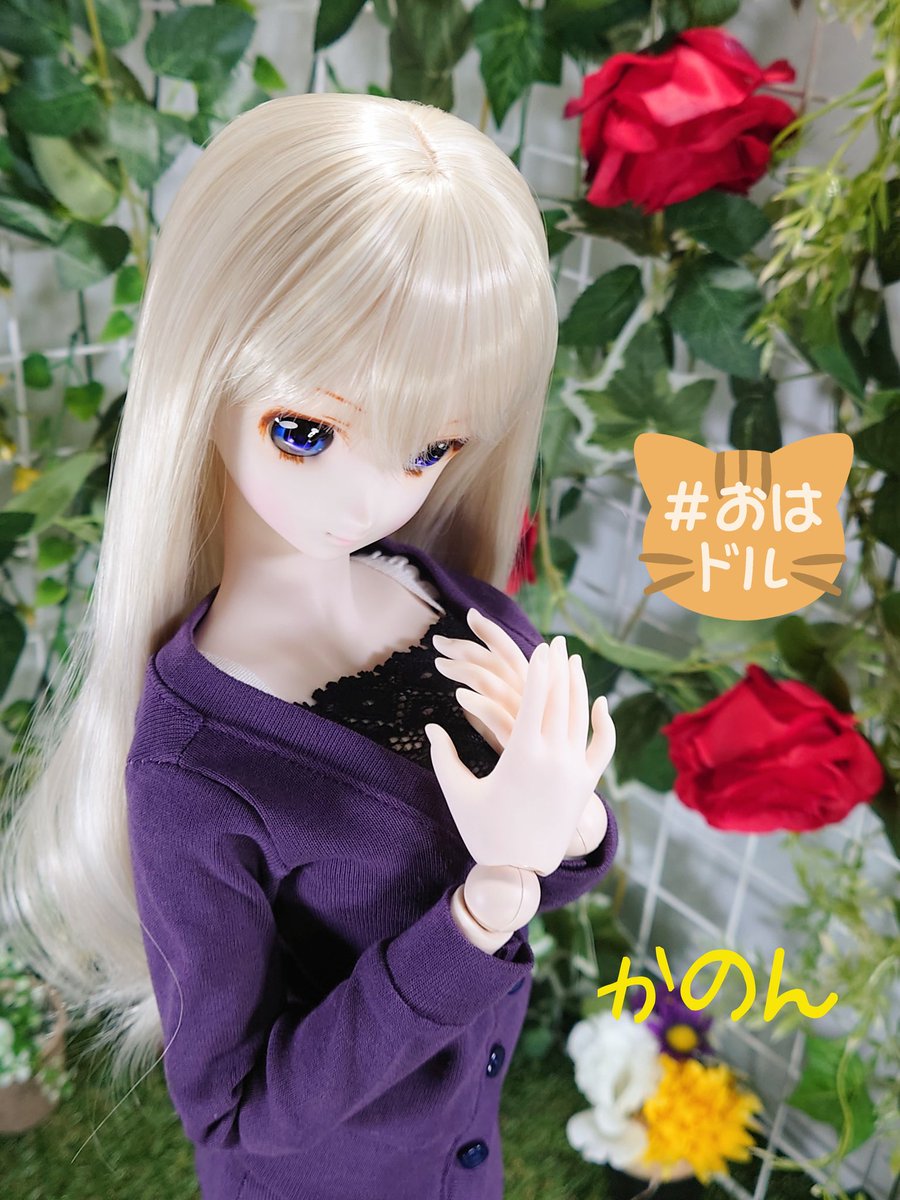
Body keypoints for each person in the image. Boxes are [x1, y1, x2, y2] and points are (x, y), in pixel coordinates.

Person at [0, 92, 617, 1199]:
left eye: (430, 448)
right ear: (205, 378)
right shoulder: (196, 766)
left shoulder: (456, 609)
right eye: (307, 433)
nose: (371, 497)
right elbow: (236, 1115)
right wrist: (483, 907)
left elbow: (560, 867)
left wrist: (565, 824)